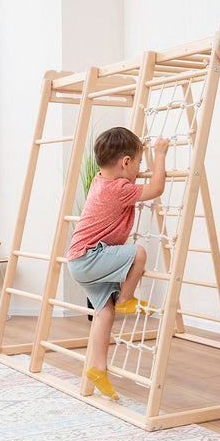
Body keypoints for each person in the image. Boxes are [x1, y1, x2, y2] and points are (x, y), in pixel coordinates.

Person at [67, 127, 169, 400]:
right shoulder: (119, 188)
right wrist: (159, 154)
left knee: (105, 314)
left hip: (78, 261)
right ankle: (126, 298)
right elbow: (157, 187)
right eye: (137, 162)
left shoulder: (100, 180)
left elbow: (128, 169)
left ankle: (98, 369)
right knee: (138, 254)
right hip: (89, 258)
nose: (138, 167)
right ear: (125, 163)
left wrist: (138, 151)